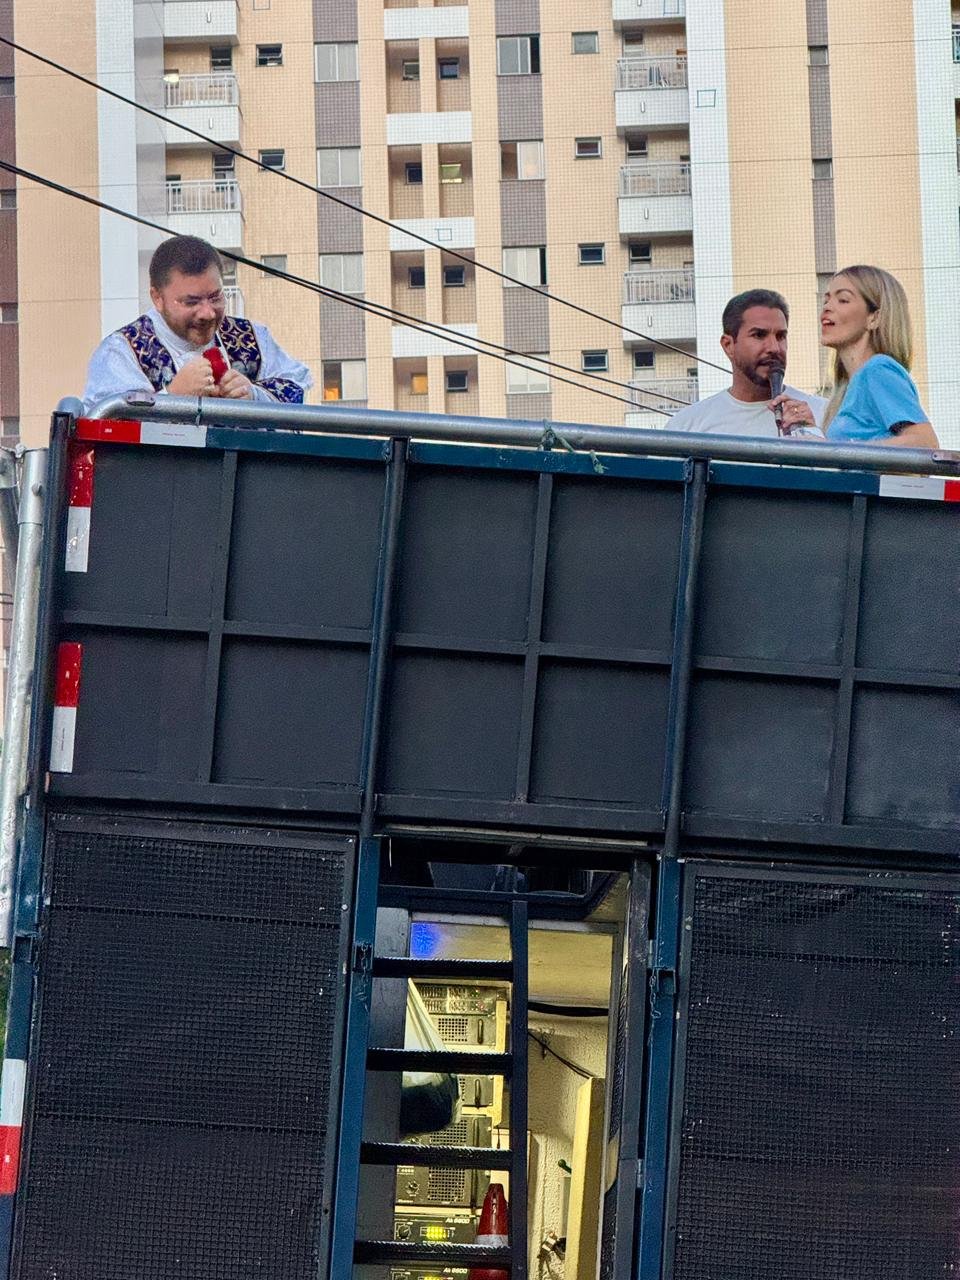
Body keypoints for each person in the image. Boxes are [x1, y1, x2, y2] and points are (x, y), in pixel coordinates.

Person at [83, 236, 312, 411]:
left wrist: (254, 394)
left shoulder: (252, 337)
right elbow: (106, 426)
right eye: (191, 302)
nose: (207, 313)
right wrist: (172, 398)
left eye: (215, 297)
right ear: (157, 298)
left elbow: (298, 388)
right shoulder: (122, 352)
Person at [668, 289, 826, 438]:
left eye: (780, 336)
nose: (774, 348)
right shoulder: (686, 428)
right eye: (759, 335)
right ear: (728, 345)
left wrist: (812, 436)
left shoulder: (823, 415)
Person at [819, 265, 939, 448]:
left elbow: (925, 443)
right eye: (826, 300)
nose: (827, 307)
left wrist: (834, 450)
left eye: (843, 300)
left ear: (874, 318)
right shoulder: (851, 387)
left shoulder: (877, 370)